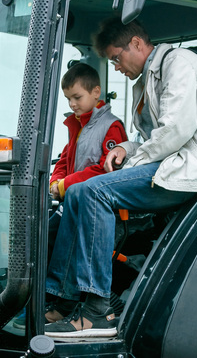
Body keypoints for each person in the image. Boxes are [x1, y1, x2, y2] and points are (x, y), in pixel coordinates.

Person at [44, 17, 197, 338]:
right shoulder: (145, 82)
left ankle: (98, 311)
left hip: (194, 168)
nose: (116, 67)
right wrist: (125, 148)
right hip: (170, 163)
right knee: (77, 192)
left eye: (116, 58)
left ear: (136, 43)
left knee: (93, 192)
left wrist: (133, 162)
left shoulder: (179, 64)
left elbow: (176, 130)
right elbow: (150, 139)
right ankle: (65, 298)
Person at [47, 63, 127, 261]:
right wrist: (55, 181)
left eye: (77, 97)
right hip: (72, 199)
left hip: (94, 205)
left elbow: (107, 170)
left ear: (95, 92)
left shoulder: (111, 127)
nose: (72, 104)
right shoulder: (79, 125)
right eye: (68, 99)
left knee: (49, 238)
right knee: (43, 235)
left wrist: (65, 184)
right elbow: (65, 159)